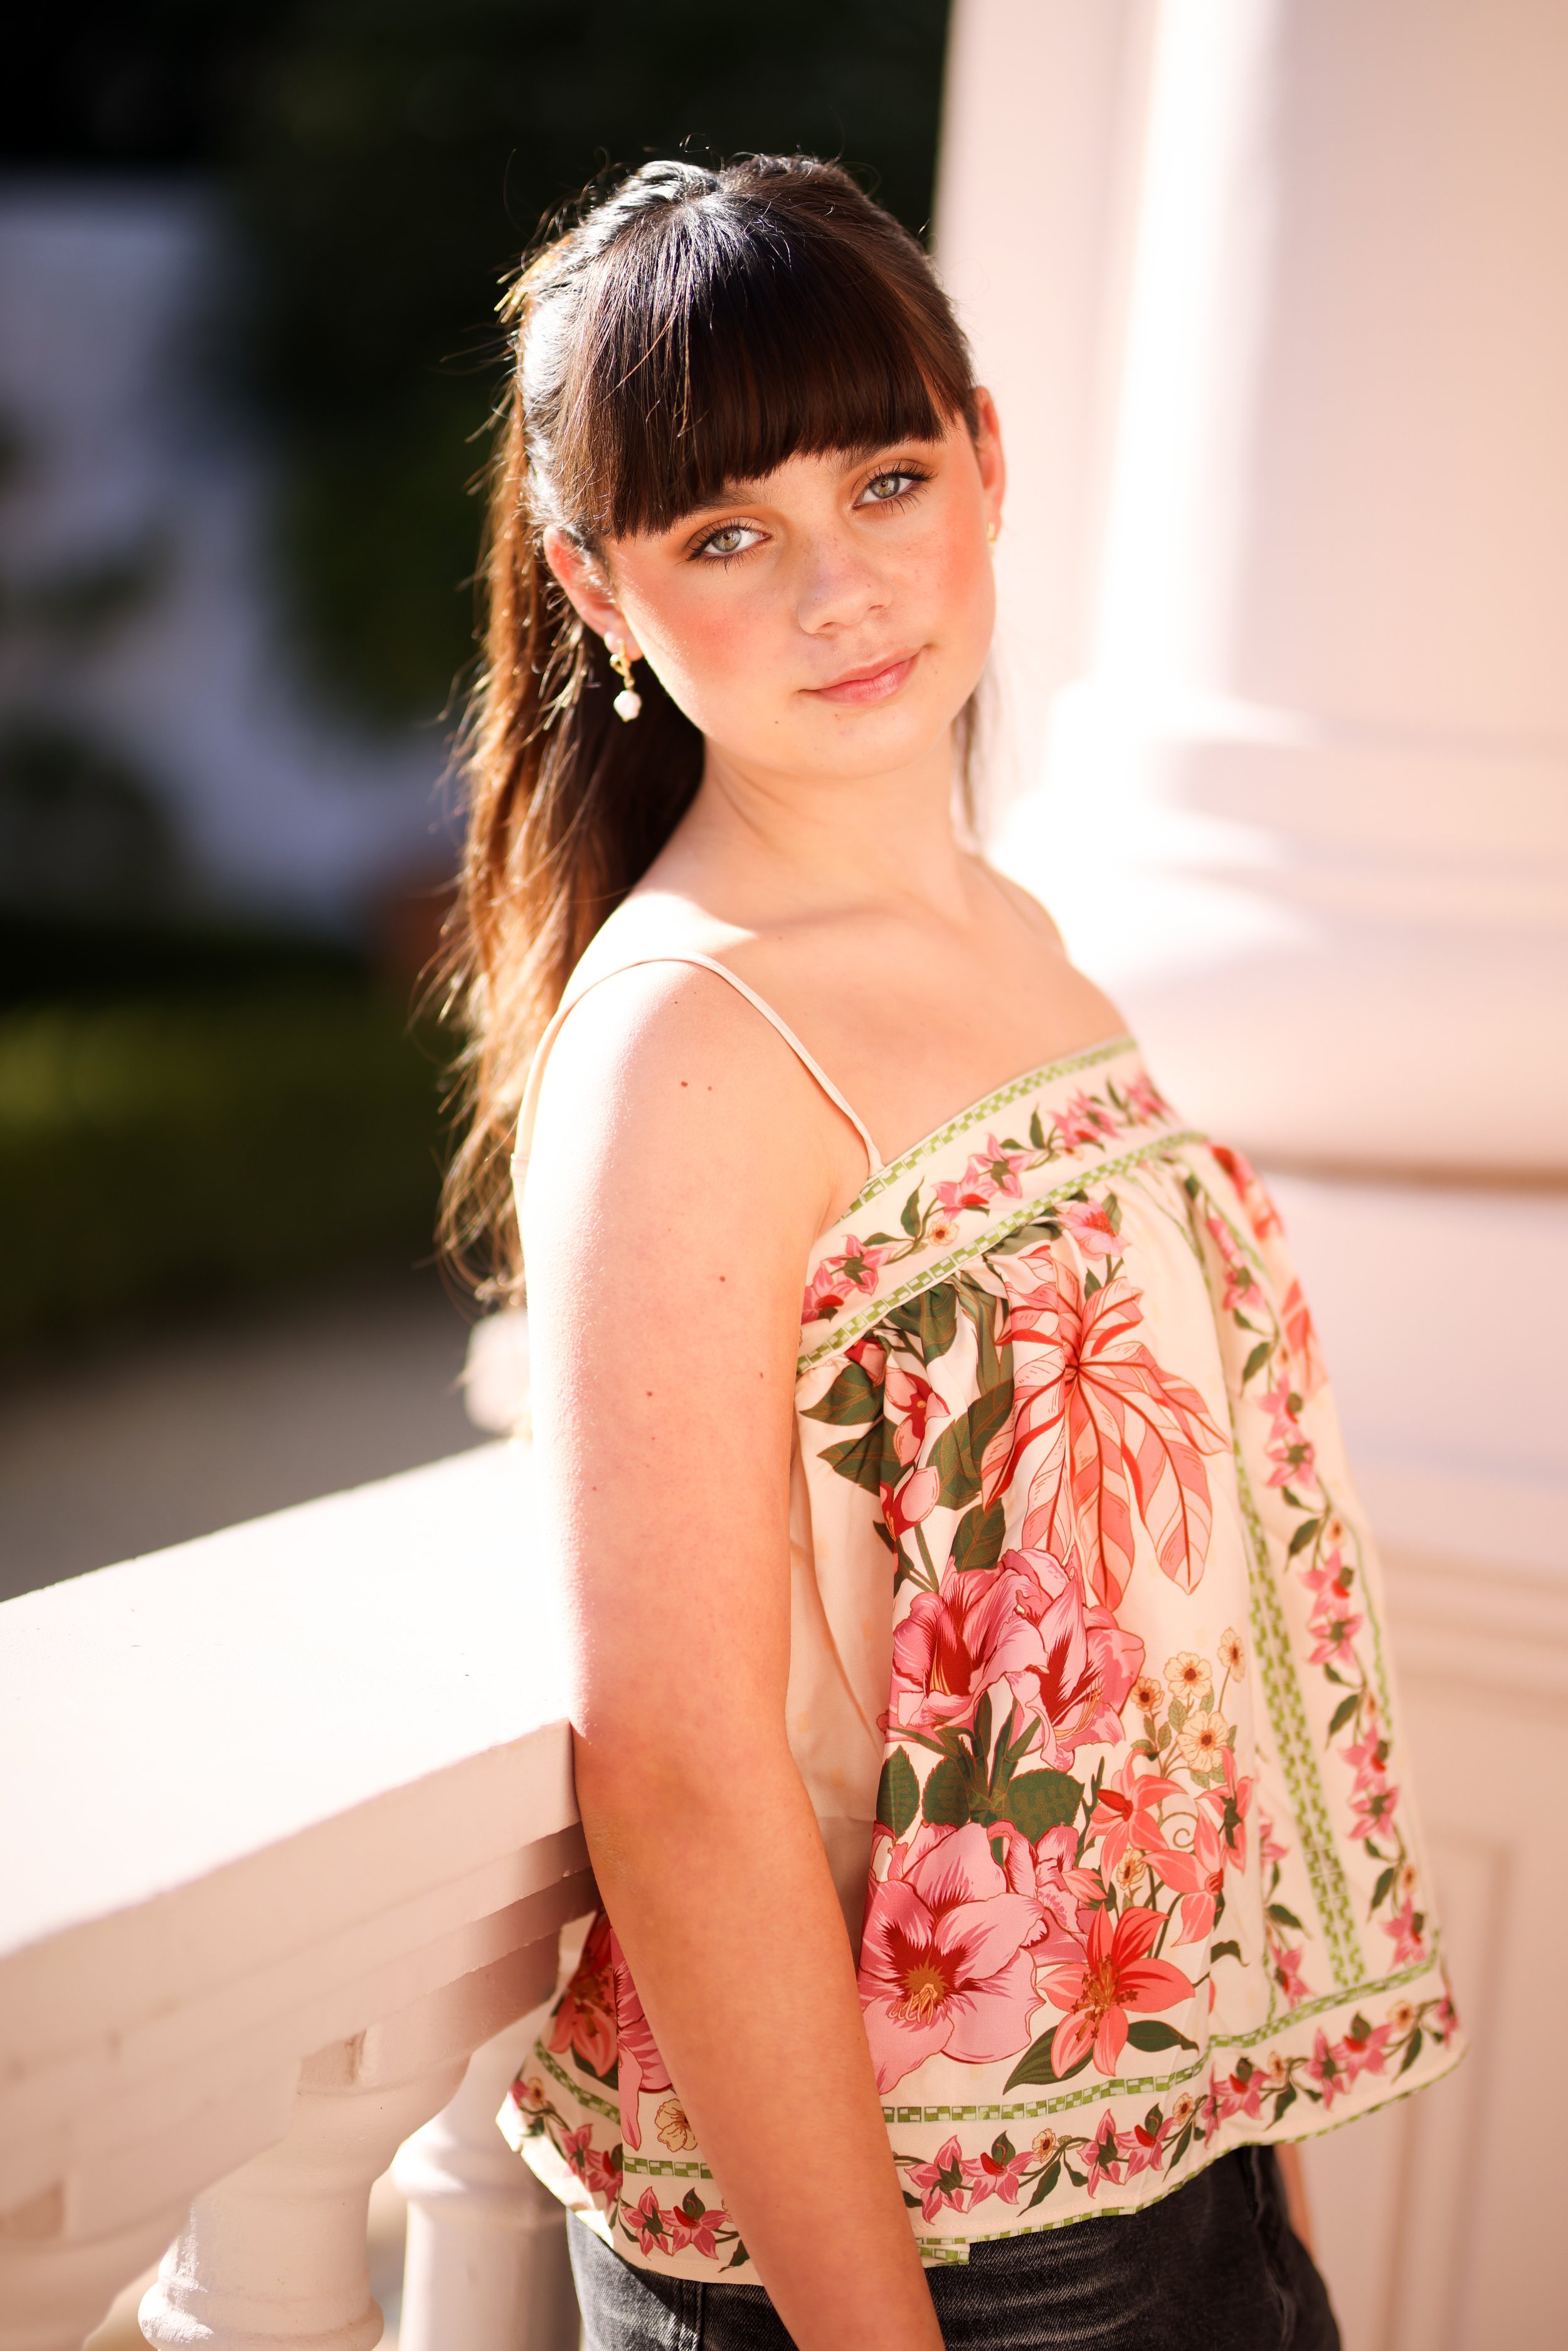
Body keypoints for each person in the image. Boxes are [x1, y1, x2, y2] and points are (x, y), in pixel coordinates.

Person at [444, 155, 1462, 2351]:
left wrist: (1246, 2152)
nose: (836, 590)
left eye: (883, 477)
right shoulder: (687, 1046)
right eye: (726, 533)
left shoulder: (1013, 942)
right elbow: (683, 1774)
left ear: (985, 461)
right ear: (595, 592)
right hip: (924, 2253)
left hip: (1161, 2175)